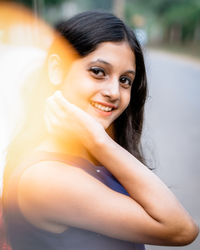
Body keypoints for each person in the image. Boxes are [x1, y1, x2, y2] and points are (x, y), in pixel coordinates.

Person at [2, 11, 199, 250]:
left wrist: (99, 145)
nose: (114, 92)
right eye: (98, 71)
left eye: (125, 80)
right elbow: (181, 229)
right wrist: (99, 141)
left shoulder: (93, 158)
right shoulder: (45, 177)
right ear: (56, 70)